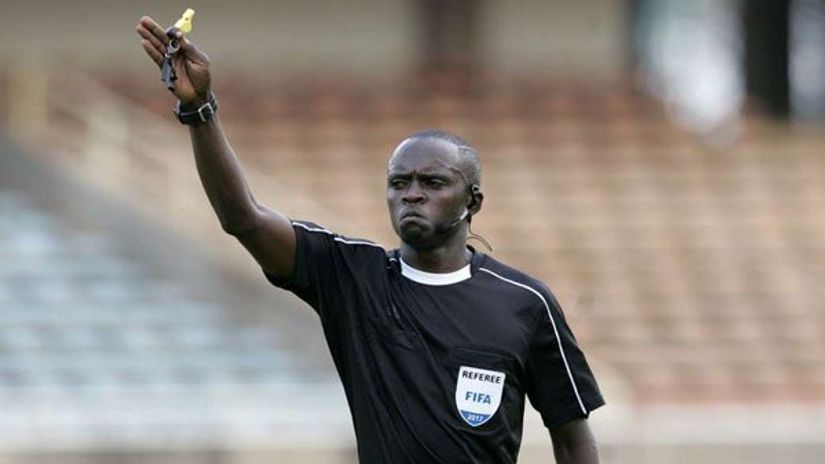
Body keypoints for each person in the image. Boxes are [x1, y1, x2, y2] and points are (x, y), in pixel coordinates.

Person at [136, 16, 605, 464]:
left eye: (433, 183)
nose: (412, 194)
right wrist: (200, 110)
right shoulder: (352, 277)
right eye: (399, 183)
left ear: (473, 201)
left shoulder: (525, 303)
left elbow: (572, 439)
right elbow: (244, 218)